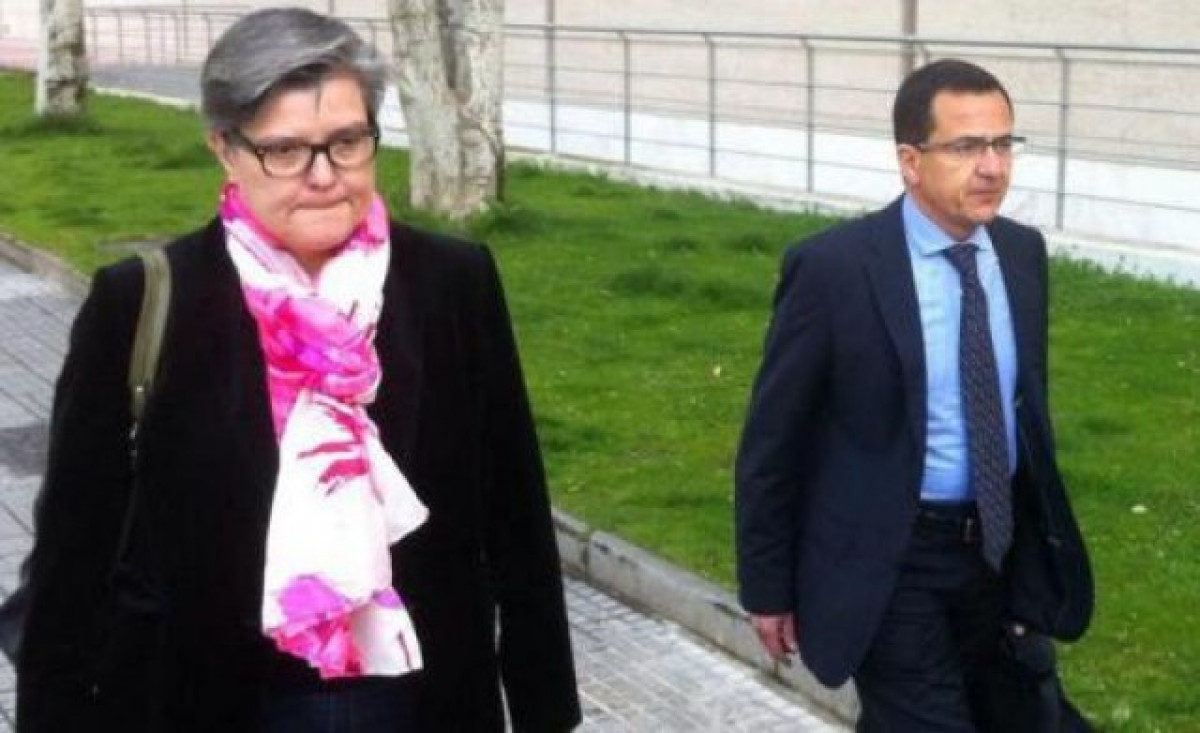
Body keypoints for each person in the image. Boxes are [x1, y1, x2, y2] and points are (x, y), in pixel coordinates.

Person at [16, 8, 580, 732]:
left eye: (346, 142)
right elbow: (72, 553)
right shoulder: (141, 301)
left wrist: (544, 707)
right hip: (210, 698)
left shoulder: (451, 281)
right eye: (284, 150)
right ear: (225, 149)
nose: (323, 176)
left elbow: (514, 514)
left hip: (420, 696)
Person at [734, 59, 1094, 731]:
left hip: (1000, 553)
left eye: (1003, 143)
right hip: (892, 558)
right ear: (910, 161)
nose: (992, 167)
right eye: (966, 146)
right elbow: (773, 441)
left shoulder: (1021, 254)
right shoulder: (835, 269)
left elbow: (1024, 406)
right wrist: (767, 585)